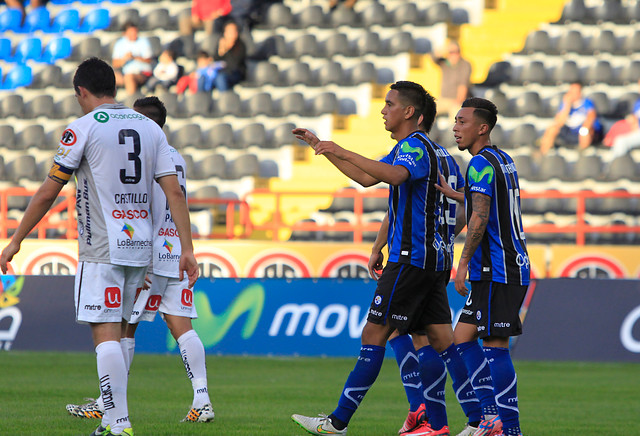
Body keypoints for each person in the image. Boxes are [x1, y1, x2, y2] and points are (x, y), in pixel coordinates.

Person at [0, 57, 199, 436]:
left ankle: (118, 422)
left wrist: (15, 240)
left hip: (103, 246)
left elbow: (48, 191)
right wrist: (187, 248)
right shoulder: (150, 129)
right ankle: (113, 419)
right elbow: (174, 192)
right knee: (123, 328)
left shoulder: (83, 128)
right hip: (143, 248)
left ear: (82, 92)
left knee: (105, 332)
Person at [290, 81, 456, 436]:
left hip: (410, 259)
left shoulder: (414, 147)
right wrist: (324, 148)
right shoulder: (409, 148)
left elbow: (394, 176)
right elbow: (367, 178)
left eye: (389, 103)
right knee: (432, 337)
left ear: (409, 112)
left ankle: (337, 423)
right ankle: (440, 425)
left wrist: (342, 149)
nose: (383, 110)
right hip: (428, 261)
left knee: (375, 332)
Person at [64, 96, 214, 424]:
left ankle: (109, 406)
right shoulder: (176, 157)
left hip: (146, 252)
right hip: (176, 249)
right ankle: (202, 398)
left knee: (122, 329)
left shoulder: (143, 156)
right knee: (181, 325)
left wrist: (143, 258)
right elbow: (176, 199)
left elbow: (143, 205)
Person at [369, 112, 482, 436]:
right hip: (436, 257)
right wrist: (444, 237)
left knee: (394, 332)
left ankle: (422, 406)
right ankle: (471, 418)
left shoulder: (414, 154)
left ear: (415, 117)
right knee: (434, 338)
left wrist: (380, 246)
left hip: (413, 257)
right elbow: (462, 210)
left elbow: (401, 209)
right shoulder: (448, 159)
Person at [439, 97, 529, 436]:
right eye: (455, 121)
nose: (455, 128)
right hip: (504, 265)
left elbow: (481, 215)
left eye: (462, 122)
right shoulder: (502, 160)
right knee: (462, 338)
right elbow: (486, 201)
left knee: (494, 346)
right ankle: (491, 417)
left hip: (498, 268)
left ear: (482, 128)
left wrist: (460, 263)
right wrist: (458, 195)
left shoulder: (478, 164)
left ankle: (510, 429)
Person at [539, 81, 603, 154]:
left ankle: (582, 154)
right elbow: (559, 122)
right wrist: (567, 106)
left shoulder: (587, 103)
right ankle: (544, 154)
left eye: (576, 92)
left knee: (584, 131)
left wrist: (585, 127)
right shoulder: (565, 104)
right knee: (552, 129)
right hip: (569, 131)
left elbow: (591, 117)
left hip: (582, 131)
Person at [431, 40, 472, 118]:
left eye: (456, 52)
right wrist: (443, 50)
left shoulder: (465, 64)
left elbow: (463, 85)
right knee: (427, 111)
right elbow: (433, 57)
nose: (453, 54)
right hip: (443, 99)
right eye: (451, 52)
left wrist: (458, 101)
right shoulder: (445, 63)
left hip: (457, 100)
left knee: (456, 117)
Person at [111, 21, 153, 96]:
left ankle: (131, 103)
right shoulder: (120, 44)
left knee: (129, 77)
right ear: (125, 33)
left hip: (141, 73)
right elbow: (115, 63)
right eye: (131, 32)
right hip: (125, 73)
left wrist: (134, 57)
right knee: (107, 76)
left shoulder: (143, 42)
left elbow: (148, 60)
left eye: (135, 32)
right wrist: (125, 59)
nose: (134, 34)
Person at [212, 20, 246, 91]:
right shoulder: (221, 44)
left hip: (235, 73)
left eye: (233, 31)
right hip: (221, 72)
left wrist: (228, 49)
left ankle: (225, 99)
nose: (232, 34)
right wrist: (221, 51)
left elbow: (234, 65)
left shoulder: (241, 45)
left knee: (220, 78)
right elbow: (215, 61)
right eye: (229, 32)